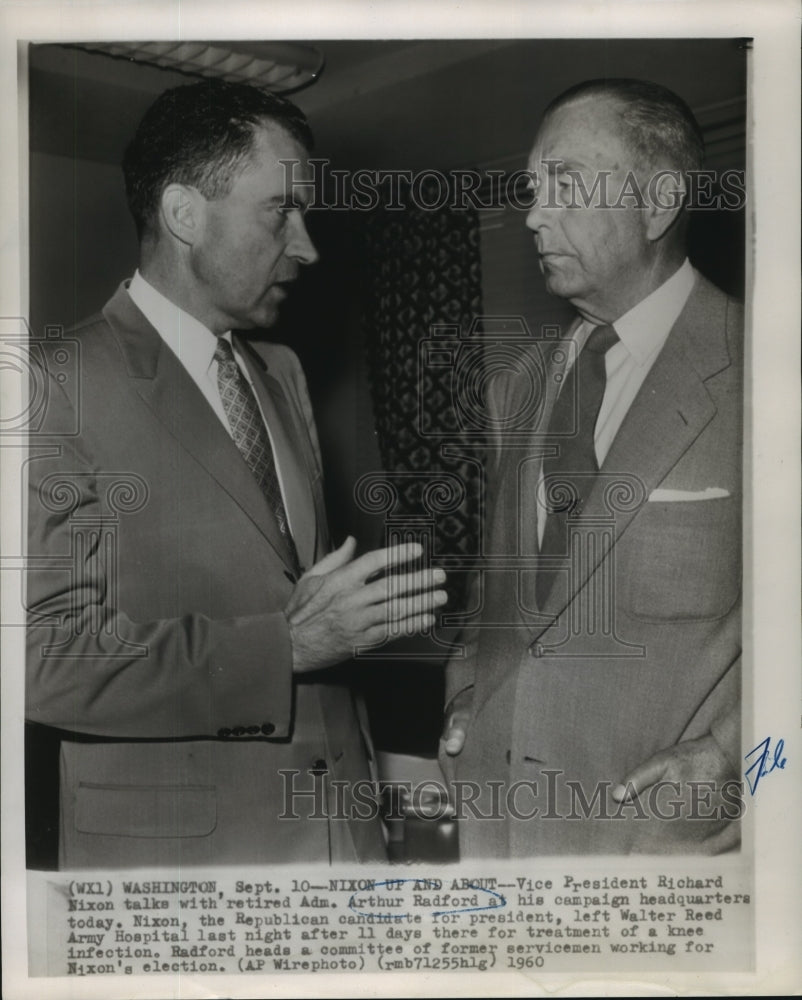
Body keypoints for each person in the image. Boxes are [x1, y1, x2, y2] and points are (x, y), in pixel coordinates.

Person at [26, 80, 447, 868]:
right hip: (182, 871)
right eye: (281, 212)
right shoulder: (53, 385)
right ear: (185, 214)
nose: (308, 246)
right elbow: (40, 661)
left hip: (340, 844)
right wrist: (283, 648)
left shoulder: (280, 372)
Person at [442, 78, 742, 855]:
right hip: (499, 838)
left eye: (564, 184)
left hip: (656, 848)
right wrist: (469, 694)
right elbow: (496, 584)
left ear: (659, 199)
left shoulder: (764, 372)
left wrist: (736, 752)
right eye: (531, 190)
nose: (534, 215)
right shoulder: (518, 384)